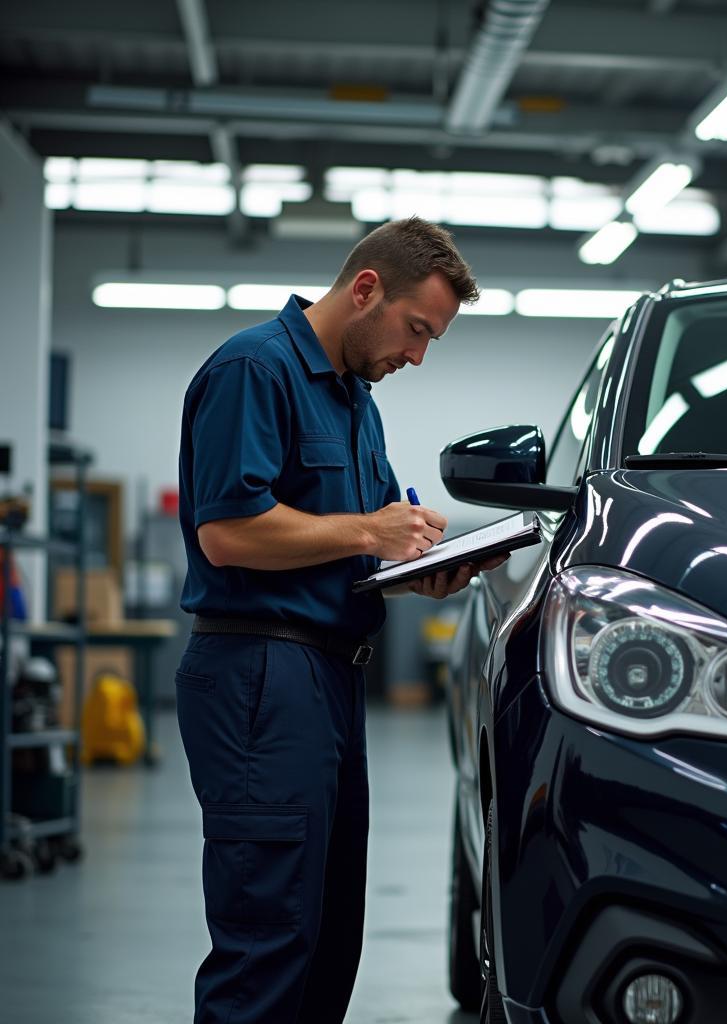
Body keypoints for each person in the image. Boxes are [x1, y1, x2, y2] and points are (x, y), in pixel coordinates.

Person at [174, 217, 505, 1023]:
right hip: (261, 676)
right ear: (366, 291)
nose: (418, 355)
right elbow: (228, 533)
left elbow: (348, 549)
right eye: (416, 329)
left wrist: (416, 572)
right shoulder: (255, 369)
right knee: (269, 939)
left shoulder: (358, 399)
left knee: (327, 938)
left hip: (327, 673)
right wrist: (370, 532)